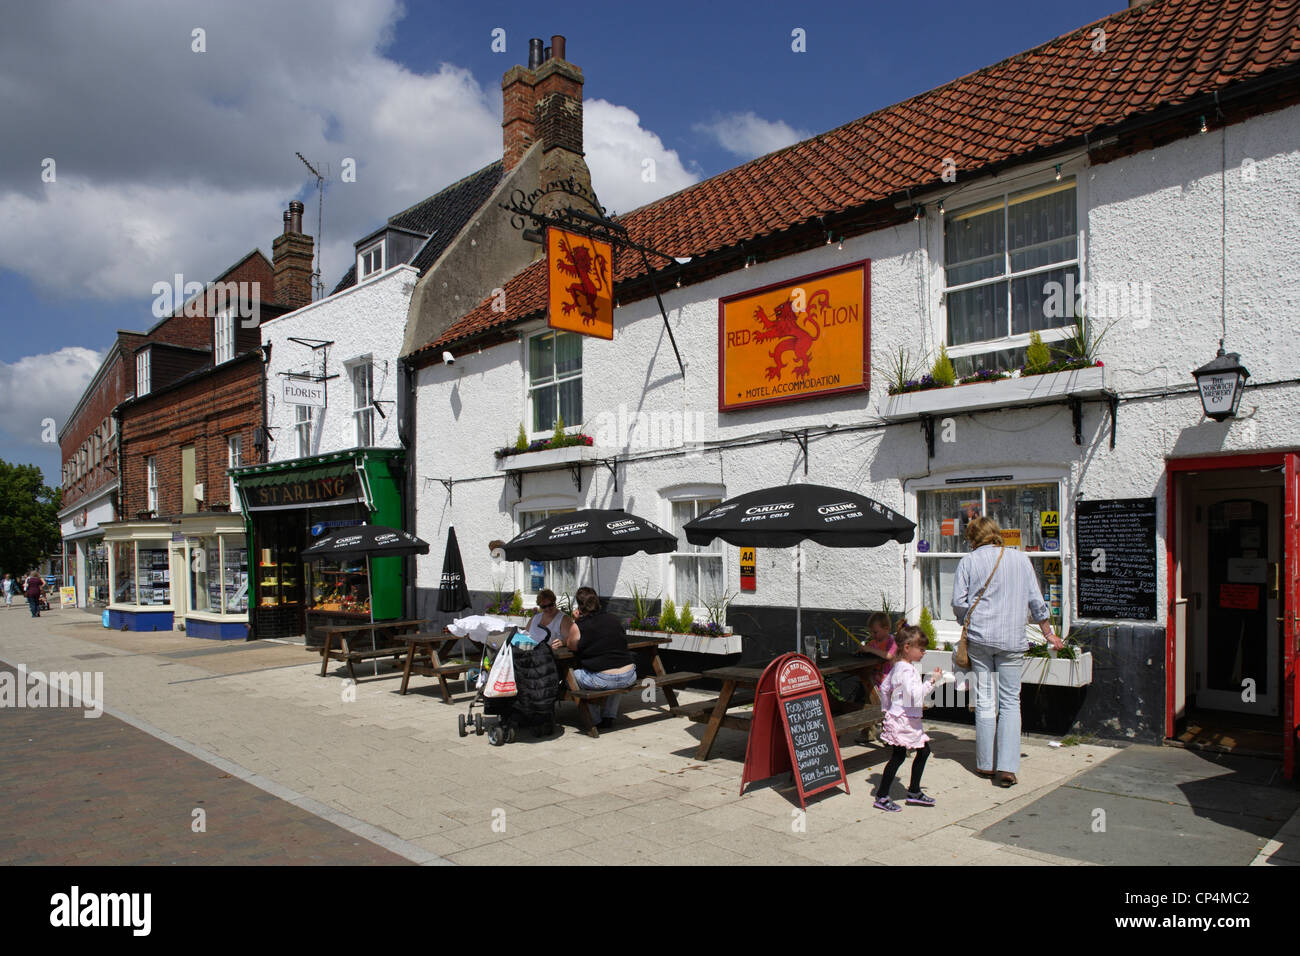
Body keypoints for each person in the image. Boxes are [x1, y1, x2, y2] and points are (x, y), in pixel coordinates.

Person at [952, 516, 1062, 788]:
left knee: (986, 700)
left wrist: (967, 620)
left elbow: (958, 602)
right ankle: (1008, 768)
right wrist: (1048, 633)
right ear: (996, 533)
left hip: (979, 638)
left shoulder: (968, 561)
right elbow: (1036, 600)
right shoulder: (1020, 560)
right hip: (1012, 638)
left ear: (973, 538)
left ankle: (985, 764)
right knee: (1011, 702)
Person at [874, 624, 941, 811]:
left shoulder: (898, 667)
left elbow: (884, 687)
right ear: (907, 647)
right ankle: (883, 796)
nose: (924, 652)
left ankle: (913, 791)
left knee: (919, 751)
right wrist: (932, 681)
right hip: (904, 720)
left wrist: (887, 709)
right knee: (899, 756)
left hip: (902, 718)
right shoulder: (907, 670)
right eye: (921, 649)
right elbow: (915, 695)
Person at [550, 586, 634, 734]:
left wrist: (576, 622)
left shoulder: (579, 625)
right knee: (614, 673)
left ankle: (595, 719)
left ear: (579, 606)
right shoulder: (614, 619)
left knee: (572, 676)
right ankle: (609, 715)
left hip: (604, 679)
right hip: (629, 675)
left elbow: (571, 645)